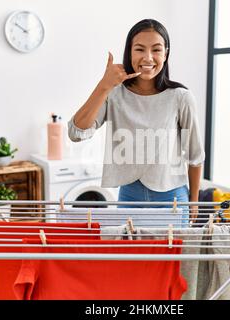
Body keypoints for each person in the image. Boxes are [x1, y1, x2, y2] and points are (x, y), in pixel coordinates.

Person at [68, 19, 205, 225]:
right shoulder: (113, 93)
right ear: (129, 53)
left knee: (171, 257)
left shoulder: (181, 97)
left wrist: (194, 202)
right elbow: (76, 132)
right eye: (140, 49)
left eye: (156, 50)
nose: (148, 57)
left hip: (172, 199)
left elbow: (195, 157)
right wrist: (104, 85)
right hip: (129, 196)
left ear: (165, 54)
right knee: (132, 257)